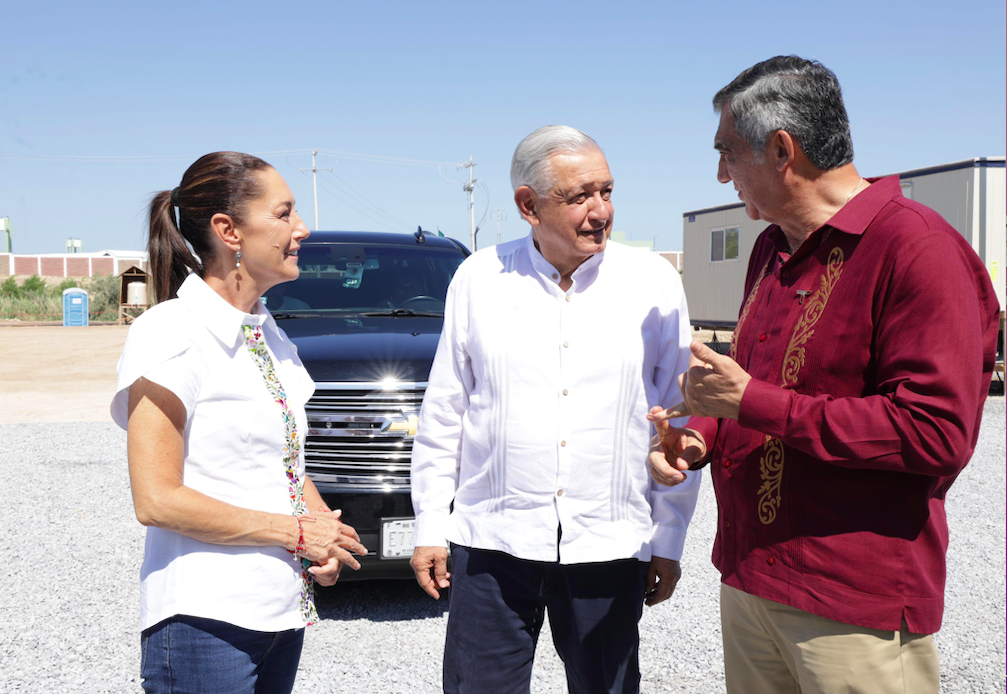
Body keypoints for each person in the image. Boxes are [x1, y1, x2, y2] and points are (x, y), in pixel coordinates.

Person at [648, 56, 1000, 694]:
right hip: (751, 577)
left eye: (728, 153)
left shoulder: (916, 249)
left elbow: (936, 433)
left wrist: (752, 402)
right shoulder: (772, 245)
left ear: (783, 149)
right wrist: (699, 435)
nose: (722, 173)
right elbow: (747, 382)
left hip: (850, 604)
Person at [411, 125, 700, 694]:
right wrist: (430, 526)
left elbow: (678, 417)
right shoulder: (478, 279)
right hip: (493, 542)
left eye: (607, 191)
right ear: (528, 205)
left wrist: (668, 539)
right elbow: (445, 410)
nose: (601, 211)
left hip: (610, 544)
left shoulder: (653, 282)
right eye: (579, 197)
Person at [110, 151, 368, 694]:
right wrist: (296, 532)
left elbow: (282, 460)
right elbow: (156, 499)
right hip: (206, 620)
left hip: (279, 611)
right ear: (228, 230)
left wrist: (326, 532)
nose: (302, 229)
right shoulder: (170, 332)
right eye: (284, 214)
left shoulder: (268, 332)